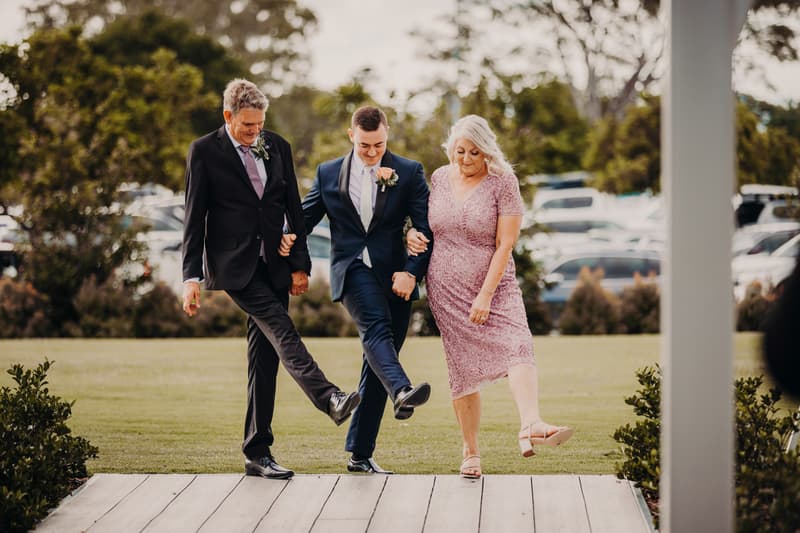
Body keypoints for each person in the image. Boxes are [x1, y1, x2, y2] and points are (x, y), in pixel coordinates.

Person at [181, 78, 360, 480]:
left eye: (259, 123)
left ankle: (257, 452)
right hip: (235, 266)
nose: (255, 131)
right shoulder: (203, 152)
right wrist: (190, 277)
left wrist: (299, 263)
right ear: (228, 116)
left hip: (276, 264)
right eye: (247, 125)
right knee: (282, 330)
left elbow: (291, 206)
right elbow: (194, 218)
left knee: (264, 358)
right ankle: (329, 397)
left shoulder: (276, 144)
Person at [406, 114, 572, 479]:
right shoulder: (438, 178)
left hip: (495, 286)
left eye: (472, 153)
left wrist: (485, 295)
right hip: (446, 288)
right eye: (458, 150)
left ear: (487, 153)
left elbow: (506, 244)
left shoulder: (503, 182)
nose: (463, 159)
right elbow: (426, 227)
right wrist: (411, 236)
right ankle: (470, 451)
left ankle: (530, 423)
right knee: (462, 368)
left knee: (517, 344)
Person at [284, 106, 434, 474]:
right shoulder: (329, 172)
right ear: (352, 135)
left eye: (379, 145)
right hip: (352, 270)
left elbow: (426, 227)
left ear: (387, 135)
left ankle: (359, 453)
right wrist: (287, 246)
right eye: (365, 145)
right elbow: (303, 219)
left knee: (377, 361)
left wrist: (411, 273)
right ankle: (402, 390)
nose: (372, 152)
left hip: (396, 276)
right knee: (376, 331)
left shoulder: (409, 171)